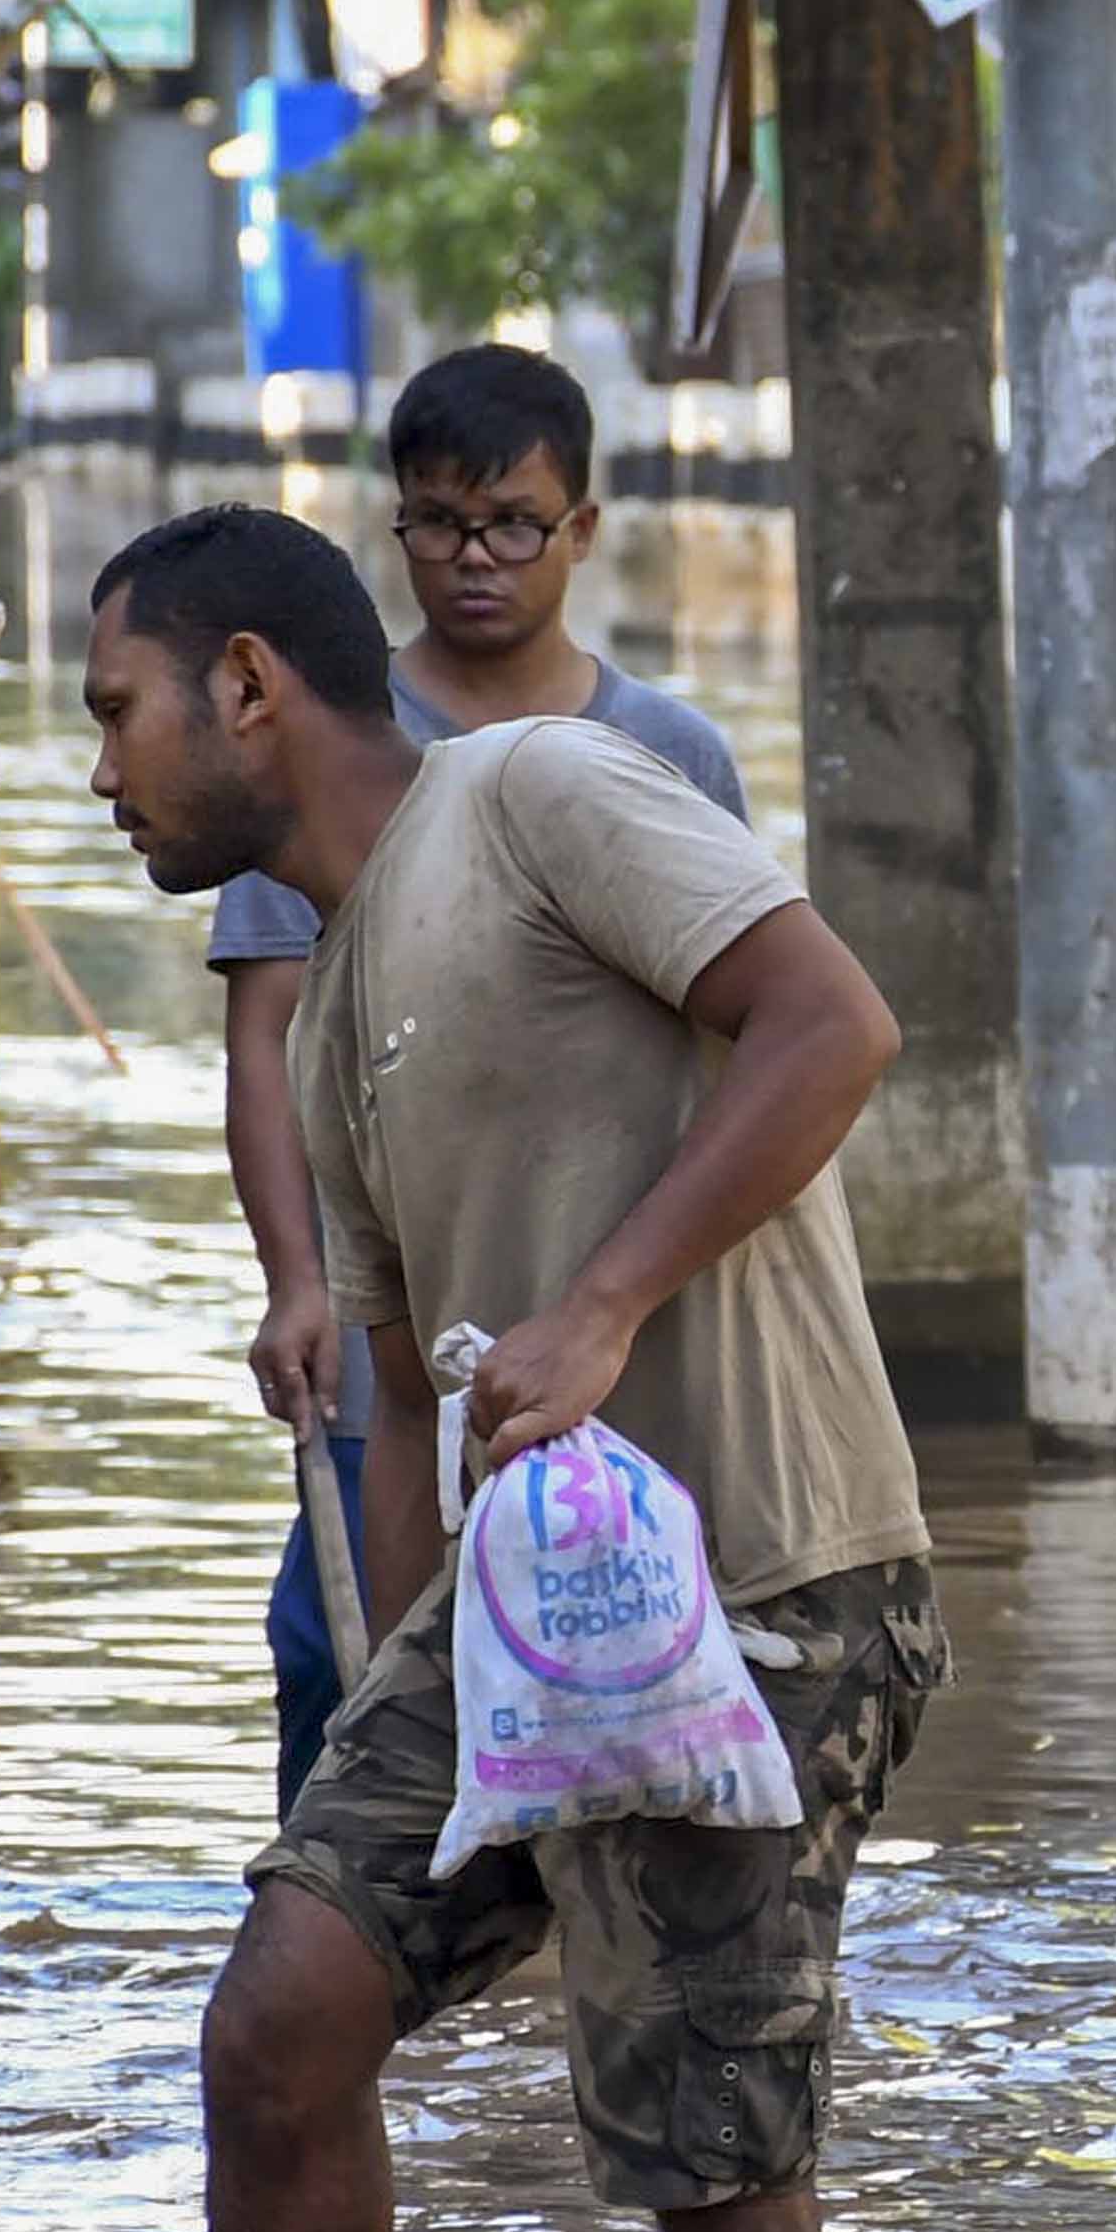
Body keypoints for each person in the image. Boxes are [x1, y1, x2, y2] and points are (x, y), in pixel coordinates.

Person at [85, 505, 940, 2232]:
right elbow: (408, 1411)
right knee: (278, 2026)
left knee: (708, 2174)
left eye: (115, 710)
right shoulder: (321, 1029)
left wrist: (606, 1304)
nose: (101, 773)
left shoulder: (542, 791)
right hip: (514, 1621)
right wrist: (402, 1692)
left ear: (247, 687)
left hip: (761, 1588)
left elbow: (833, 1024)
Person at [214, 342, 751, 1815]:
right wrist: (296, 1280)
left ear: (581, 532)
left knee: (640, 1632)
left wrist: (631, 1291)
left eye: (514, 521)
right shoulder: (334, 744)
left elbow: (754, 1024)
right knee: (339, 1649)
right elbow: (267, 1032)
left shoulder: (661, 752)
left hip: (602, 1276)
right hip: (394, 1291)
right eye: (440, 522)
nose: (475, 558)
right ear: (396, 525)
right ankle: (366, 1921)